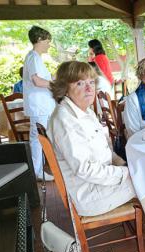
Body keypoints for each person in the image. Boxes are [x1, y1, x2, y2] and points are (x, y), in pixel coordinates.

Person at [48, 61, 135, 216]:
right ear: (64, 89)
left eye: (91, 82)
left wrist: (123, 164)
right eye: (80, 83)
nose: (89, 88)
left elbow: (106, 150)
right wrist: (124, 173)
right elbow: (85, 169)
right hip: (90, 195)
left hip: (100, 182)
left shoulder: (86, 112)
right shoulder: (65, 120)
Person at [23, 26, 56, 180]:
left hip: (42, 106)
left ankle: (39, 171)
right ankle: (37, 172)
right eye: (48, 41)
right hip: (39, 106)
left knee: (40, 138)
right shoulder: (33, 57)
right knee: (37, 139)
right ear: (39, 40)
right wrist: (55, 84)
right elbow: (37, 81)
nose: (49, 44)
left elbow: (41, 79)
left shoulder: (35, 58)